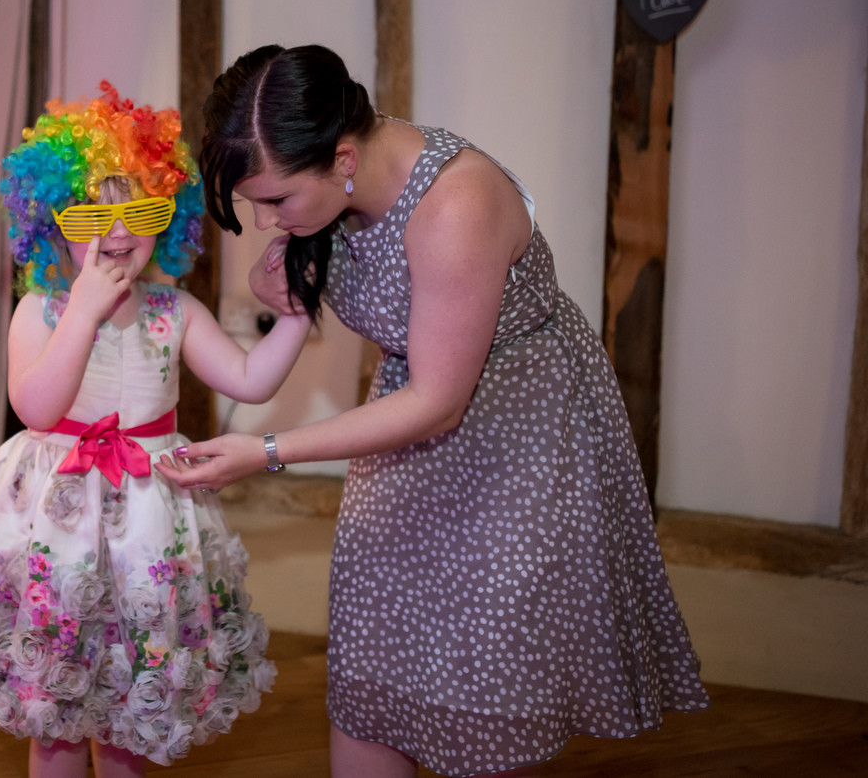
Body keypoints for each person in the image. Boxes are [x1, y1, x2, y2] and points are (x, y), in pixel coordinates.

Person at [156, 45, 709, 777]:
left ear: (343, 155)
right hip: (408, 427)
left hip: (517, 436)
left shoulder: (457, 203)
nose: (264, 220)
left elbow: (439, 401)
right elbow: (329, 302)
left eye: (276, 199)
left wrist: (265, 450)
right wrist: (287, 275)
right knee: (375, 660)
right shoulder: (334, 189)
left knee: (481, 670)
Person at [0, 83, 312, 777]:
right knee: (58, 718)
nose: (117, 231)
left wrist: (299, 316)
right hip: (56, 533)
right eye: (92, 211)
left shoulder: (174, 310)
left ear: (172, 216)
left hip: (146, 535)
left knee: (131, 712)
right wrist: (83, 313)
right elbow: (37, 408)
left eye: (142, 209)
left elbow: (250, 380)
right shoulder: (40, 309)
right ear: (51, 218)